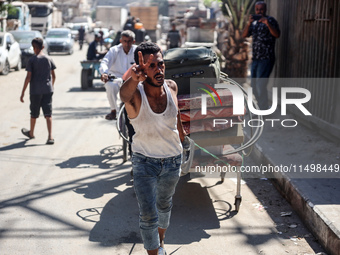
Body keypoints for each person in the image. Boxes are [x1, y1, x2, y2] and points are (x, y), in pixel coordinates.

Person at [120, 42, 186, 255]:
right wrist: (133, 79)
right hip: (144, 162)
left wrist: (183, 140)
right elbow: (124, 96)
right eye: (152, 66)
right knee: (148, 214)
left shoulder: (172, 87)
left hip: (172, 161)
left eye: (161, 64)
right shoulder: (135, 95)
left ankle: (160, 243)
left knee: (164, 206)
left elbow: (176, 118)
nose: (159, 69)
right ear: (142, 69)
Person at [242, 1, 280, 110]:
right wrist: (249, 23)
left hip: (266, 59)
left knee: (260, 85)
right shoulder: (254, 23)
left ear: (265, 9)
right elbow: (244, 35)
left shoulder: (271, 20)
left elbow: (277, 34)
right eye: (257, 9)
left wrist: (267, 23)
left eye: (261, 9)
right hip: (256, 59)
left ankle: (263, 109)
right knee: (253, 86)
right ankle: (261, 107)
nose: (259, 11)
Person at [20, 37, 56, 145]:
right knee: (48, 113)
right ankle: (50, 137)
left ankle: (31, 133)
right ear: (43, 47)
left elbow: (28, 77)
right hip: (47, 90)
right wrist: (51, 86)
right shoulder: (49, 59)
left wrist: (22, 92)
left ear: (34, 48)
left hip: (35, 91)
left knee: (34, 113)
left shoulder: (32, 60)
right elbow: (54, 76)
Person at [100, 30, 137, 120]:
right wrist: (104, 73)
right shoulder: (114, 50)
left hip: (132, 79)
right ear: (121, 41)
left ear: (133, 41)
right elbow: (105, 62)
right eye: (125, 41)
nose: (127, 44)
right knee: (110, 86)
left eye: (129, 41)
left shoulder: (137, 51)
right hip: (116, 79)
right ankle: (113, 111)